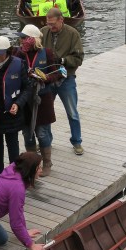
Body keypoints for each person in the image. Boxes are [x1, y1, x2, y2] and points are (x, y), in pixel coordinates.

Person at [0, 36, 33, 174]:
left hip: (11, 114)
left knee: (13, 146)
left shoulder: (19, 64)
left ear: (8, 51)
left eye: (0, 54)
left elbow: (27, 88)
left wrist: (18, 104)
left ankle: (14, 174)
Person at [17, 24, 63, 176]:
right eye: (21, 38)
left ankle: (47, 162)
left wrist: (45, 78)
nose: (21, 40)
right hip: (25, 99)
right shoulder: (18, 54)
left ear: (33, 39)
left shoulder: (47, 53)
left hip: (42, 98)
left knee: (42, 133)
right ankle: (32, 165)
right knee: (27, 133)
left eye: (24, 38)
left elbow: (57, 73)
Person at [42, 8, 84, 155]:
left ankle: (77, 141)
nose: (50, 27)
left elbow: (79, 58)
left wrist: (63, 60)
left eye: (53, 24)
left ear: (61, 20)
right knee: (46, 112)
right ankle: (46, 141)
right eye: (48, 24)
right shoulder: (43, 32)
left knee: (72, 112)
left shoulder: (73, 34)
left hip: (66, 79)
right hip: (48, 79)